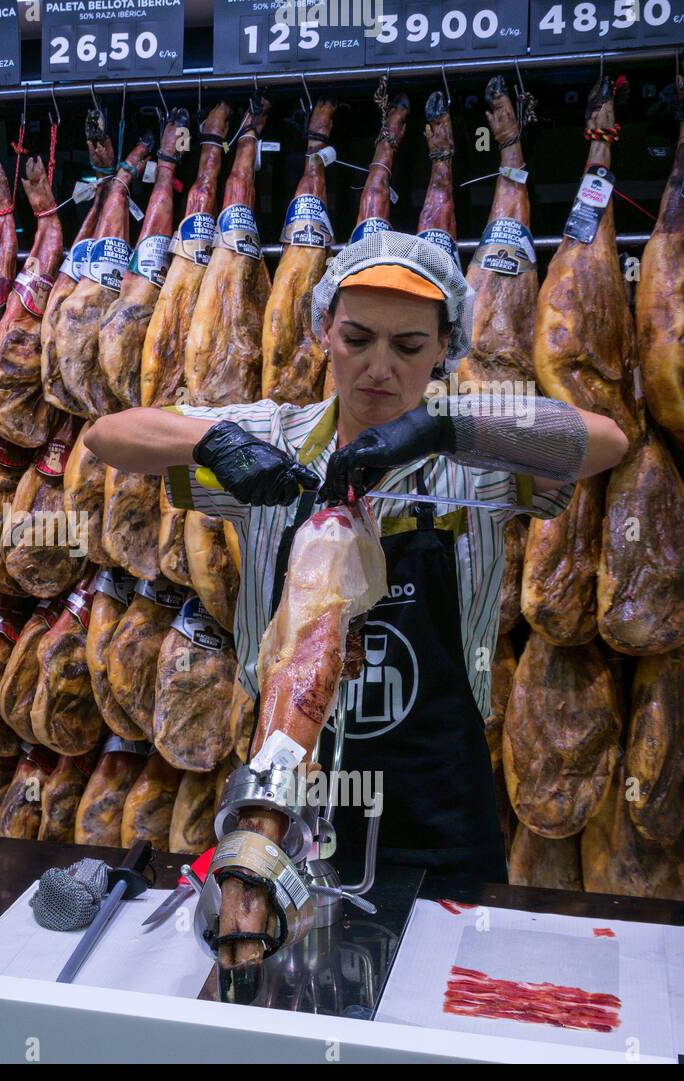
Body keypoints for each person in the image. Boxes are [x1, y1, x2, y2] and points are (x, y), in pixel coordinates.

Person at [86, 231, 628, 886]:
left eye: (408, 347)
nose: (380, 368)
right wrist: (216, 440)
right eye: (357, 338)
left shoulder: (470, 459)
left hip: (439, 805)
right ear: (322, 329)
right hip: (287, 797)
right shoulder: (277, 435)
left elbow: (605, 440)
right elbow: (108, 436)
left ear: (444, 349)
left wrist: (448, 427)